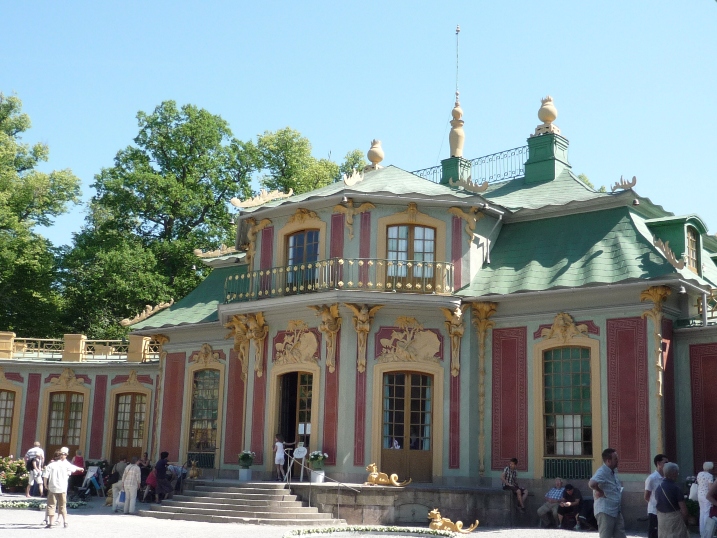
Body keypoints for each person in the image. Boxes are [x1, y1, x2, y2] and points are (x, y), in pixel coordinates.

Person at [589, 447, 625, 538]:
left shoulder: (612, 472)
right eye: (615, 459)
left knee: (620, 535)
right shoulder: (602, 471)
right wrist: (599, 490)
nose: (618, 461)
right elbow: (591, 483)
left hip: (616, 510)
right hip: (605, 511)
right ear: (608, 461)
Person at [42, 447, 83, 528]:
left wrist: (45, 485)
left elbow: (45, 476)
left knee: (51, 505)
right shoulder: (65, 465)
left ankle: (51, 523)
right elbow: (73, 468)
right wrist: (80, 469)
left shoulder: (50, 465)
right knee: (63, 505)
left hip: (53, 487)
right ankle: (65, 522)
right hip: (62, 488)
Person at [655, 462, 689, 538]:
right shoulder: (676, 488)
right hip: (675, 521)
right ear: (674, 473)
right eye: (677, 472)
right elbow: (684, 511)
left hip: (662, 520)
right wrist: (686, 523)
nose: (678, 474)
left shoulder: (659, 487)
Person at [645, 454, 669, 538]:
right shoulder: (652, 478)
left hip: (665, 511)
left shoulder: (666, 478)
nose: (667, 465)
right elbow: (646, 496)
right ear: (658, 463)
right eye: (665, 463)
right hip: (654, 511)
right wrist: (654, 503)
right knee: (654, 533)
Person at [697, 462, 715, 537]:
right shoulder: (709, 476)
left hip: (699, 495)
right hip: (706, 496)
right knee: (707, 513)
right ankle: (706, 533)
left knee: (702, 513)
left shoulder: (699, 474)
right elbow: (710, 488)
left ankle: (701, 532)